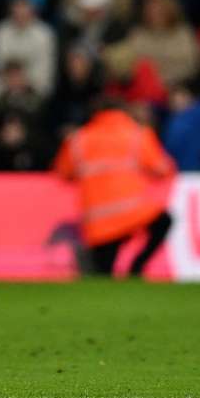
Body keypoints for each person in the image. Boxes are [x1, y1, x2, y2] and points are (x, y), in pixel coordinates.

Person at [53, 98, 176, 278]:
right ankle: (137, 266)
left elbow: (62, 172)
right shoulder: (138, 134)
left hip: (98, 222)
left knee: (103, 277)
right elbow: (164, 169)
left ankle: (92, 264)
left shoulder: (78, 138)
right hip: (132, 213)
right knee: (164, 221)